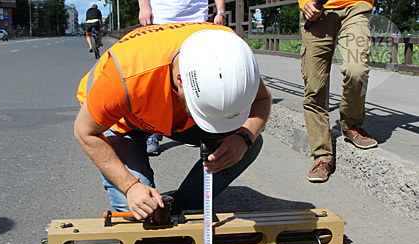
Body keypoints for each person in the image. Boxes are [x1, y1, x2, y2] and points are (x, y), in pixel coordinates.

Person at [75, 23, 272, 220]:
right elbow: (85, 132)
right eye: (202, 113)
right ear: (180, 81)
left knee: (251, 141)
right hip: (122, 123)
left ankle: (182, 208)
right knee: (137, 212)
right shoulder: (127, 76)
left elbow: (263, 99)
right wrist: (130, 186)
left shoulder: (230, 53)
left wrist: (243, 137)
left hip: (168, 115)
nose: (210, 125)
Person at [300, 0, 377, 183]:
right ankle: (322, 157)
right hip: (318, 11)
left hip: (355, 7)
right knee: (314, 87)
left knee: (356, 69)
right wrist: (305, 3)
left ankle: (351, 125)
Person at [138, 0, 226, 156]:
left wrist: (220, 11)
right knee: (159, 80)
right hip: (162, 19)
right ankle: (153, 133)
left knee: (198, 78)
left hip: (196, 19)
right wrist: (144, 7)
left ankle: (194, 126)